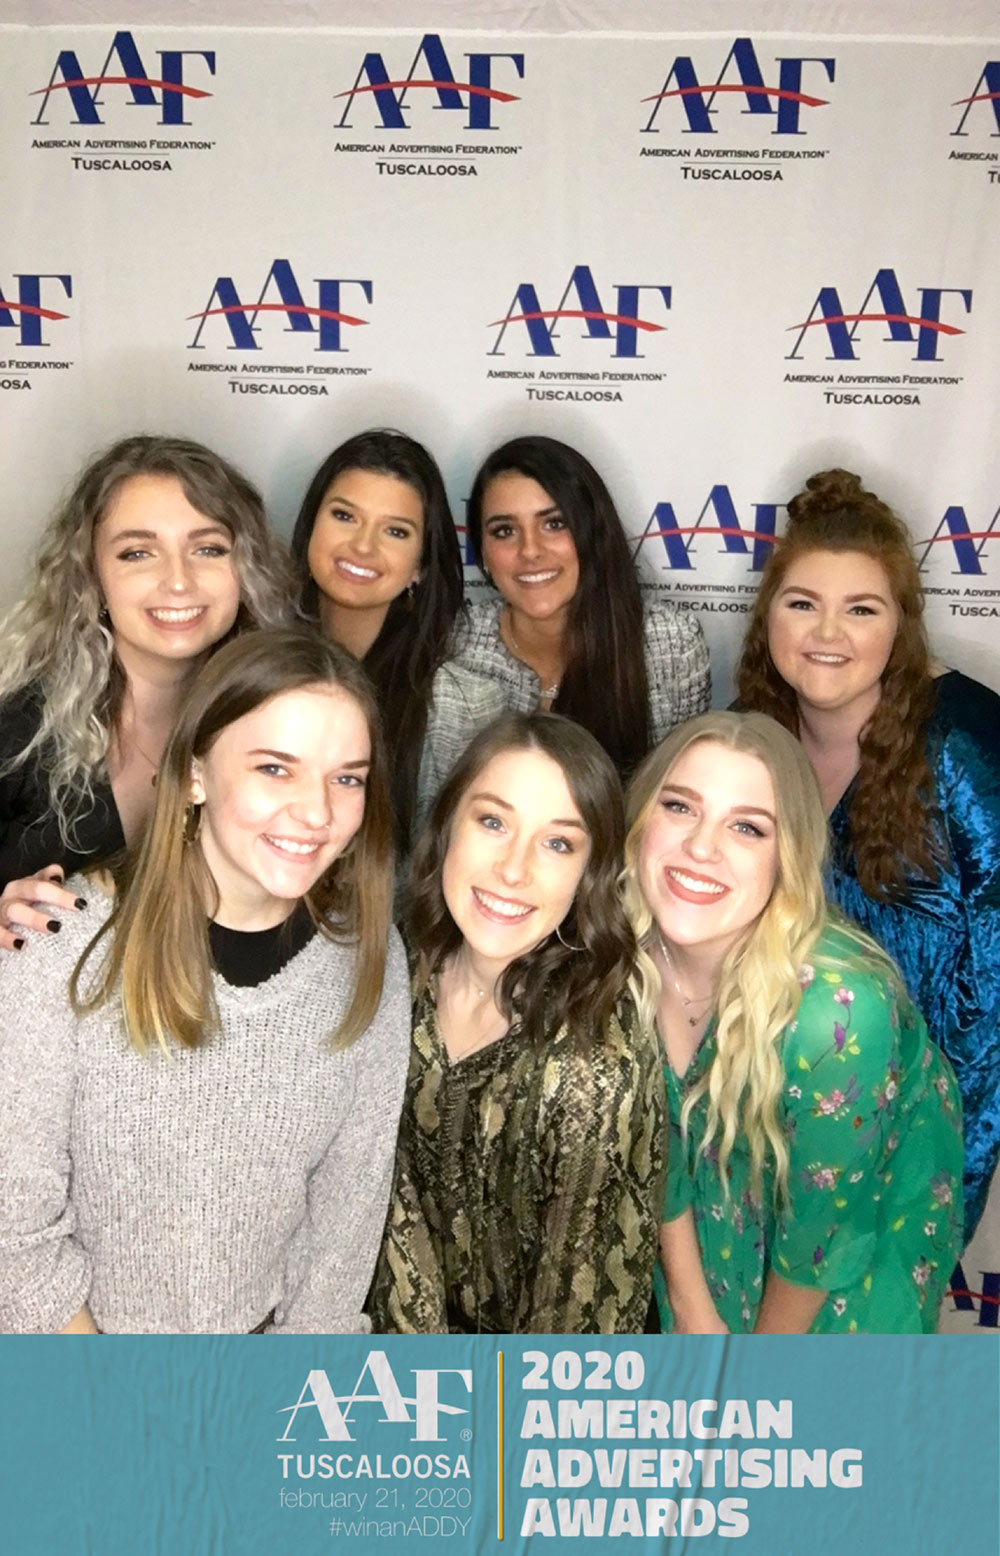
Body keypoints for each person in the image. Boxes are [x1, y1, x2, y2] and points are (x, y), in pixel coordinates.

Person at [0, 628, 411, 1333]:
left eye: (346, 777)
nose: (316, 812)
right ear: (194, 773)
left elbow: (344, 1225)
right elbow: (16, 1232)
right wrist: (125, 1413)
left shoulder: (371, 957)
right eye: (275, 768)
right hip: (81, 1385)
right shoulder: (56, 943)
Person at [624, 710, 963, 1335]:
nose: (702, 846)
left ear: (789, 857)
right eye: (679, 807)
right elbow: (660, 1154)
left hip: (847, 1232)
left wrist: (755, 1384)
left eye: (748, 828)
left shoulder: (838, 1014)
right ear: (641, 818)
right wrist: (694, 1309)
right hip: (707, 1210)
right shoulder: (612, 957)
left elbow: (821, 1240)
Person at [735, 467, 1000, 1240]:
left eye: (861, 609)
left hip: (911, 1142)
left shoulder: (966, 739)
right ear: (767, 618)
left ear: (900, 625)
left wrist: (949, 1180)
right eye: (802, 604)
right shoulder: (749, 733)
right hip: (765, 1125)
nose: (828, 635)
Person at [370, 711, 666, 1334]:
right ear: (448, 823)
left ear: (591, 874)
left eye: (558, 842)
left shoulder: (591, 1070)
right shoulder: (396, 970)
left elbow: (572, 1341)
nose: (513, 868)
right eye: (493, 821)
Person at [0, 434, 292, 952]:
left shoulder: (283, 720)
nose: (178, 581)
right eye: (138, 552)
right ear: (93, 576)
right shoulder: (20, 721)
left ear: (245, 571)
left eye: (207, 548)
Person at [290, 429, 504, 852]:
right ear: (311, 524)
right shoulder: (250, 659)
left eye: (396, 532)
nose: (362, 546)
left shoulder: (458, 703)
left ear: (419, 567)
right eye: (344, 516)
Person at [451, 435, 710, 777]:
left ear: (594, 532)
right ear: (482, 552)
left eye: (554, 524)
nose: (530, 550)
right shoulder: (456, 644)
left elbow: (682, 797)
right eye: (504, 531)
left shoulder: (672, 644)